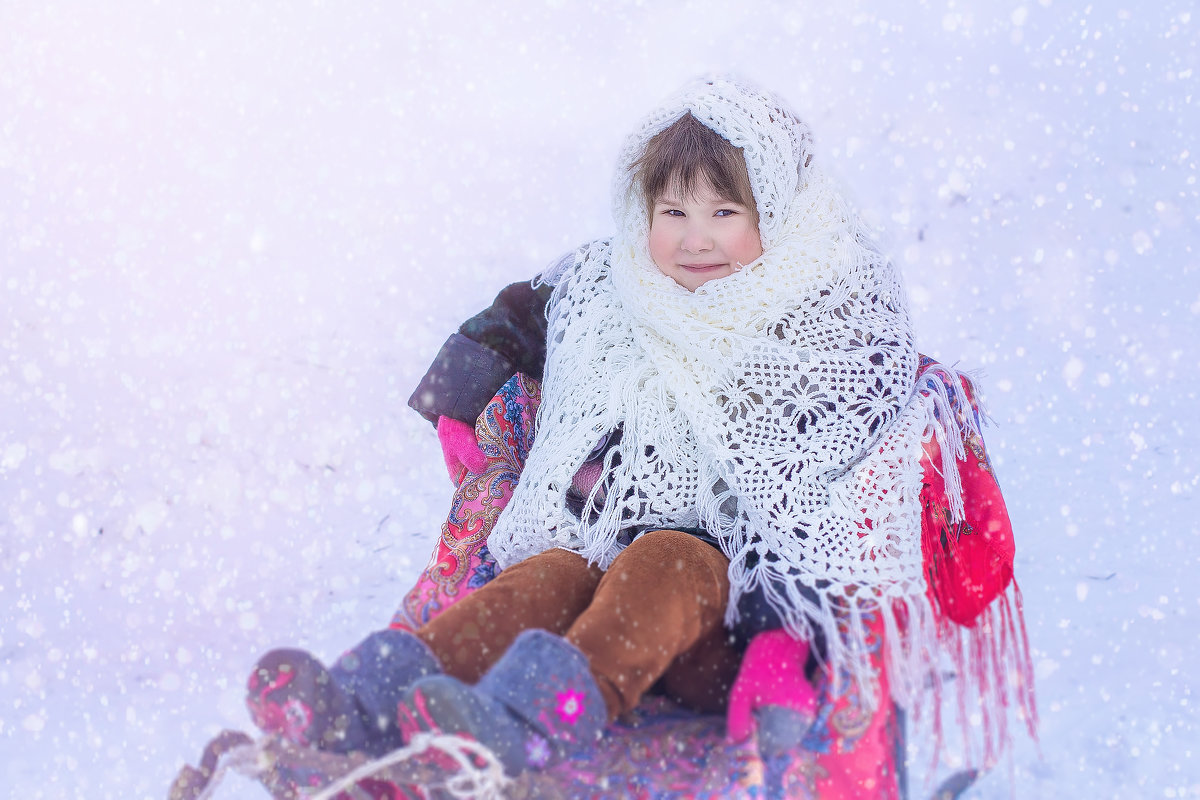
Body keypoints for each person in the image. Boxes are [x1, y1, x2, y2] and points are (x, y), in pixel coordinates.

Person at [244, 77, 1016, 781]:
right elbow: (524, 312)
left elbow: (830, 506)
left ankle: (531, 721)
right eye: (671, 212)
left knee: (664, 558)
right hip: (590, 568)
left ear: (776, 214)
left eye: (724, 212)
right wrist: (459, 389)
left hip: (720, 625)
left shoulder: (818, 326)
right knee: (543, 574)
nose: (694, 238)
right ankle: (369, 698)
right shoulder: (607, 288)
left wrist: (783, 648)